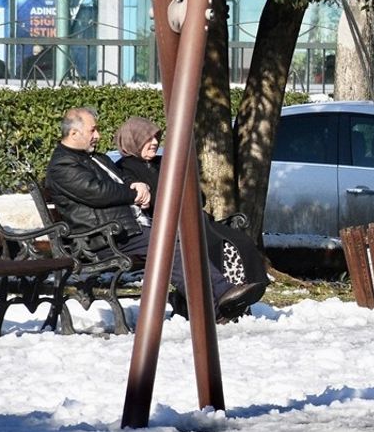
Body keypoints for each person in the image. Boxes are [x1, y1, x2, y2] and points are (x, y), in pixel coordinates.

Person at [44, 108, 256, 321]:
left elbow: (119, 180)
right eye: (93, 130)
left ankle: (214, 302)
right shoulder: (63, 165)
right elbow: (98, 192)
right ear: (74, 134)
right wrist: (134, 193)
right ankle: (217, 300)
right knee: (167, 244)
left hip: (126, 228)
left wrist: (134, 184)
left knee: (183, 238)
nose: (97, 135)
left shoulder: (96, 158)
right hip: (102, 238)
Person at [113, 116, 268, 311]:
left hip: (193, 218)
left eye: (156, 138)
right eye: (147, 139)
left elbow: (198, 196)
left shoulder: (163, 163)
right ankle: (222, 300)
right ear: (133, 140)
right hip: (166, 225)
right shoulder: (123, 169)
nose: (154, 143)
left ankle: (241, 293)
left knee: (238, 241)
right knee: (211, 244)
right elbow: (146, 203)